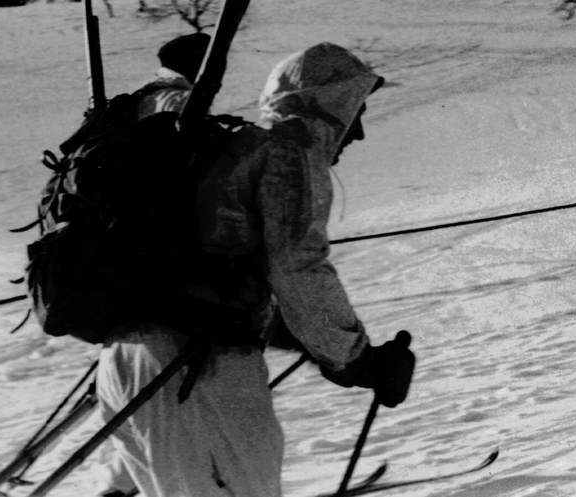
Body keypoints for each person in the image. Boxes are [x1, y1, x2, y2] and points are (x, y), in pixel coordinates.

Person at [95, 42, 415, 497]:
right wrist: (358, 361)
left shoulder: (227, 154)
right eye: (357, 111)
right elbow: (298, 271)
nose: (358, 132)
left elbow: (226, 279)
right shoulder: (290, 155)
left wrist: (312, 341)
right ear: (332, 103)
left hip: (128, 364)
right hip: (198, 374)